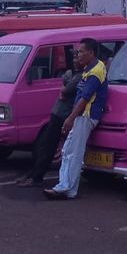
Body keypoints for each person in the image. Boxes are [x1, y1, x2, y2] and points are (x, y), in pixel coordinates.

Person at [44, 38, 108, 201]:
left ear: (91, 53)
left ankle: (66, 188)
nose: (78, 55)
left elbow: (85, 98)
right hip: (81, 116)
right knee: (67, 151)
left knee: (74, 153)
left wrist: (70, 119)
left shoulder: (95, 72)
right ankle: (66, 187)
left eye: (80, 52)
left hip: (85, 116)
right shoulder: (90, 69)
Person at [18, 55, 82, 187]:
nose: (75, 62)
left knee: (49, 147)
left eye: (78, 60)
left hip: (64, 115)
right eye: (74, 59)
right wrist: (65, 88)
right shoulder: (72, 74)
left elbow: (66, 89)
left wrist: (65, 88)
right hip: (58, 113)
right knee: (44, 146)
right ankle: (34, 173)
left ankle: (37, 176)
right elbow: (64, 86)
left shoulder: (81, 76)